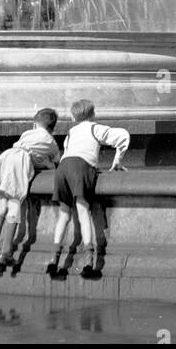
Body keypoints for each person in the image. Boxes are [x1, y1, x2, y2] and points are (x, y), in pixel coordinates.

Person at [45, 99, 129, 280]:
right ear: (93, 115)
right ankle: (89, 262)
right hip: (80, 167)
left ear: (74, 117)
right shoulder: (94, 128)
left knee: (64, 215)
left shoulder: (71, 132)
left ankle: (53, 260)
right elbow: (123, 136)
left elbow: (67, 151)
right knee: (83, 213)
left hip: (63, 169)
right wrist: (117, 162)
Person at [0, 108, 60, 270]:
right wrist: (48, 164)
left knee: (2, 206)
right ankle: (5, 253)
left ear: (34, 124)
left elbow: (32, 152)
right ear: (52, 128)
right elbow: (56, 162)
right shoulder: (51, 142)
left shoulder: (27, 134)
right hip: (19, 162)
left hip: (6, 156)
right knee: (13, 207)